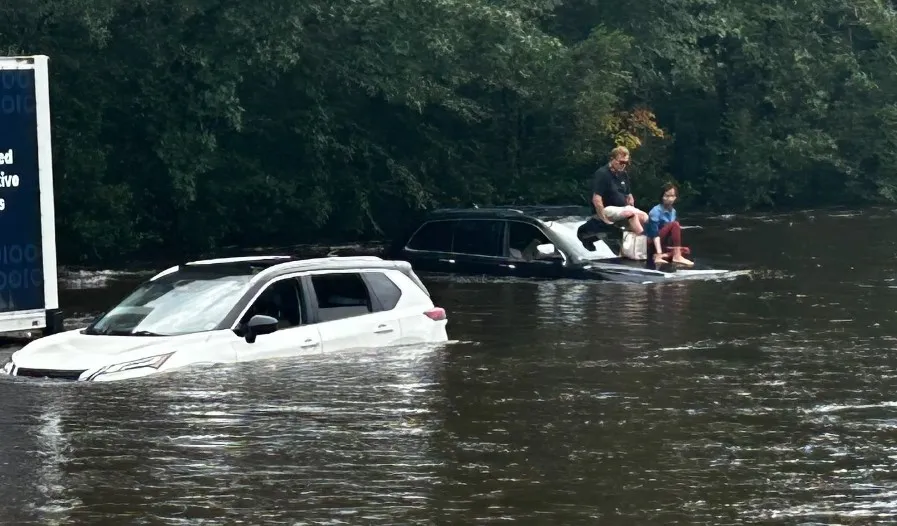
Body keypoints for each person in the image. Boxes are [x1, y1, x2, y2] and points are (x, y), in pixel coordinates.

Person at [589, 145, 648, 235]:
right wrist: (604, 220)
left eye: (626, 163)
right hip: (607, 209)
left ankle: (648, 238)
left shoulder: (623, 174)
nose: (623, 165)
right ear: (612, 159)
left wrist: (630, 202)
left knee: (644, 216)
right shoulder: (602, 174)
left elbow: (629, 195)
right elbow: (596, 199)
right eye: (621, 162)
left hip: (623, 209)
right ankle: (643, 237)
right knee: (630, 214)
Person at [645, 182, 694, 266]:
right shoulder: (655, 211)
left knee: (686, 250)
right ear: (662, 197)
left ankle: (667, 255)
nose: (670, 199)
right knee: (674, 224)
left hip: (664, 243)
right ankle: (674, 256)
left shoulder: (673, 211)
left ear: (675, 197)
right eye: (667, 196)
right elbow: (654, 234)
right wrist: (659, 253)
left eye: (672, 196)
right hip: (653, 242)